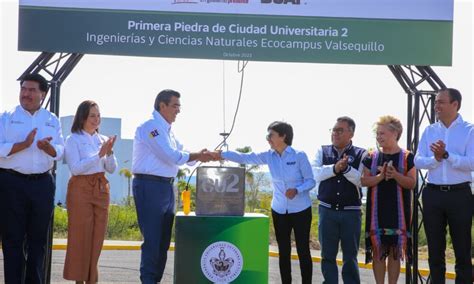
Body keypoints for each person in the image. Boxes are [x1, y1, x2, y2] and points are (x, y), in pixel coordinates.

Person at [211, 121, 316, 284]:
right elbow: (246, 157)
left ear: (283, 136)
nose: (268, 139)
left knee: (303, 250)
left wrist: (297, 189)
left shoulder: (299, 155)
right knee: (284, 251)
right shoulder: (269, 155)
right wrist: (222, 154)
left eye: (271, 135)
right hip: (279, 210)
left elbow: (310, 181)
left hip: (301, 210)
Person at [132, 89, 212, 283]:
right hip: (149, 186)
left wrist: (204, 155)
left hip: (167, 187)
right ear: (162, 105)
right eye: (175, 105)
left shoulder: (169, 131)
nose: (178, 110)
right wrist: (197, 156)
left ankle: (155, 279)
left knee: (163, 242)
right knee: (153, 240)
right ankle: (148, 280)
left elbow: (184, 154)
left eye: (179, 106)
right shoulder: (150, 127)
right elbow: (171, 155)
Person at [0, 73, 64, 283]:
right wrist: (23, 145)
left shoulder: (51, 119)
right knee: (12, 241)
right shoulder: (6, 117)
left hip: (42, 185)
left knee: (38, 242)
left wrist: (50, 149)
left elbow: (61, 150)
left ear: (43, 94)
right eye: (23, 89)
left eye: (32, 90)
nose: (26, 94)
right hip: (12, 183)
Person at [414, 88, 473, 283]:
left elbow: (472, 162)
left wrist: (447, 155)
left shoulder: (469, 130)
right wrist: (436, 159)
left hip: (460, 195)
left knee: (462, 249)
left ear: (455, 104)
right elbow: (418, 161)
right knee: (435, 250)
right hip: (433, 194)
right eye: (435, 102)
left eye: (440, 102)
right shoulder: (430, 130)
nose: (435, 105)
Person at [63, 100, 117, 283]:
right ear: (83, 117)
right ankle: (79, 280)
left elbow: (112, 169)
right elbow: (76, 168)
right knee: (81, 238)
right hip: (80, 189)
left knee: (97, 237)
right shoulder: (73, 139)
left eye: (98, 115)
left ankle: (92, 279)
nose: (96, 119)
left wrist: (109, 152)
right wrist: (99, 154)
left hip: (101, 188)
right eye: (92, 115)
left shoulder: (102, 139)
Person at [361, 115, 416, 284]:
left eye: (382, 133)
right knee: (378, 250)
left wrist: (395, 175)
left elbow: (412, 183)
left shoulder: (408, 157)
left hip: (398, 212)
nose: (379, 137)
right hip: (377, 211)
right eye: (377, 134)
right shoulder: (371, 156)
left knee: (394, 251)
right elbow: (364, 180)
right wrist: (380, 176)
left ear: (395, 133)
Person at [313, 116, 367, 284]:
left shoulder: (361, 153)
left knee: (350, 256)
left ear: (351, 133)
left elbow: (361, 179)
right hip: (327, 210)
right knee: (327, 255)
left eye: (340, 130)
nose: (335, 133)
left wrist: (345, 169)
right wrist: (335, 168)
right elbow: (315, 173)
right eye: (333, 130)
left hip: (351, 213)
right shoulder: (323, 151)